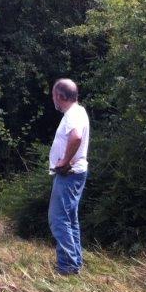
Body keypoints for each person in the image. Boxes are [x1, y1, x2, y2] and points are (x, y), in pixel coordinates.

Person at [48, 78, 90, 275]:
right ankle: (74, 264)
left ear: (59, 96)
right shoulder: (78, 112)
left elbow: (76, 138)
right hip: (75, 174)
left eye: (53, 95)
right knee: (69, 220)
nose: (53, 99)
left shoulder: (72, 115)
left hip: (69, 174)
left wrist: (64, 161)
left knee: (58, 220)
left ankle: (67, 267)